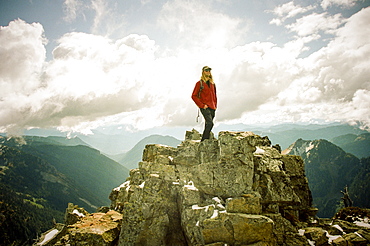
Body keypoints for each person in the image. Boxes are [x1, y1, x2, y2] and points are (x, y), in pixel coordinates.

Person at [191, 66, 217, 141]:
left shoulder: (212, 84)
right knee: (210, 123)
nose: (208, 72)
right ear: (203, 72)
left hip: (212, 107)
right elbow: (193, 96)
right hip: (204, 107)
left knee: (208, 124)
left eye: (209, 70)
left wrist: (215, 105)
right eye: (206, 70)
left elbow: (215, 96)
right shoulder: (199, 83)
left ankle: (206, 139)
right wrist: (202, 105)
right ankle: (204, 140)